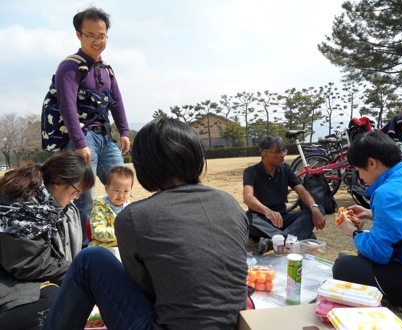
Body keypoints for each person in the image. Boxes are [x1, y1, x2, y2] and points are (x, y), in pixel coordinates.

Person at [42, 117, 249, 329]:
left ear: (145, 166)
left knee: (90, 258)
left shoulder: (135, 217)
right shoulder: (230, 203)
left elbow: (144, 290)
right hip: (234, 323)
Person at [333, 131, 402, 315]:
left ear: (371, 163)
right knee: (363, 250)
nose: (360, 178)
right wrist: (369, 213)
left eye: (358, 170)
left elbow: (380, 253)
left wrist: (351, 231)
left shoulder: (388, 192)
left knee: (343, 266)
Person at [56, 6, 130, 247]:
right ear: (79, 35)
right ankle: (85, 251)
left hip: (106, 138)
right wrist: (78, 143)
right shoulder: (70, 66)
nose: (97, 41)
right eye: (91, 35)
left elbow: (116, 103)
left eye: (102, 36)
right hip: (82, 138)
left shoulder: (107, 69)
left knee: (122, 190)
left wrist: (125, 131)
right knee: (83, 198)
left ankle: (122, 239)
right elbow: (67, 106)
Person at [0, 151, 94, 330]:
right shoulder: (21, 205)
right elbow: (30, 263)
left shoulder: (48, 205)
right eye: (76, 191)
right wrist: (79, 274)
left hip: (19, 278)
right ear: (59, 182)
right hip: (9, 282)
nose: (77, 197)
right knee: (54, 302)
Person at [243, 134, 326, 252]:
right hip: (261, 219)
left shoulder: (286, 169)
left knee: (319, 209)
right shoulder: (251, 172)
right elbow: (248, 197)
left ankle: (276, 241)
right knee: (246, 219)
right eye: (278, 152)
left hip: (283, 218)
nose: (283, 154)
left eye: (283, 151)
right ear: (265, 154)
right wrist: (267, 211)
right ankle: (293, 238)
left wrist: (314, 207)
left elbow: (301, 190)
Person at [88, 166, 134, 247]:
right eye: (117, 190)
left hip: (126, 248)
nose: (121, 195)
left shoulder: (131, 208)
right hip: (105, 248)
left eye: (126, 191)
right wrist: (121, 233)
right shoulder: (99, 208)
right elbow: (97, 231)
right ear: (107, 188)